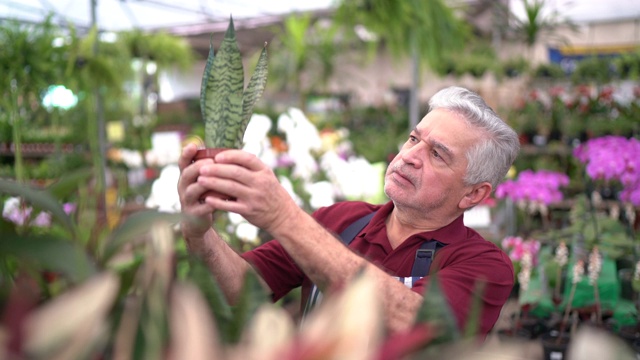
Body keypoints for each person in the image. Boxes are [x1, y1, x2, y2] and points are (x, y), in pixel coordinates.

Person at [177, 86, 520, 337]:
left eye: (438, 154)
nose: (411, 156)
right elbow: (239, 288)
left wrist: (283, 216)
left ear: (473, 194)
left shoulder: (483, 265)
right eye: (414, 139)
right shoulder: (340, 221)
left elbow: (417, 322)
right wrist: (199, 232)